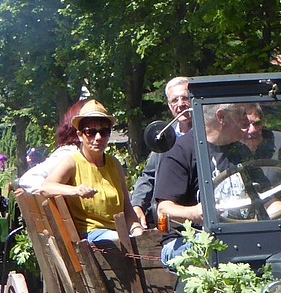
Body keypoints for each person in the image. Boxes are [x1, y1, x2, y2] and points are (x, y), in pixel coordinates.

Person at [18, 99, 145, 245]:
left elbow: (126, 206)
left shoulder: (114, 163)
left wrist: (137, 231)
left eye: (104, 131)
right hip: (91, 238)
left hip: (119, 234)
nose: (98, 138)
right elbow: (46, 188)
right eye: (91, 132)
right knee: (119, 240)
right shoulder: (72, 162)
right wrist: (75, 190)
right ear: (79, 135)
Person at [155, 102, 248, 260]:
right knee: (215, 244)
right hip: (186, 241)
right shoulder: (180, 152)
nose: (247, 121)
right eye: (241, 114)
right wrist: (194, 213)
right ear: (221, 117)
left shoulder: (240, 150)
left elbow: (266, 199)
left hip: (239, 235)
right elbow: (163, 210)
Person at [131, 75, 193, 226]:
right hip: (167, 220)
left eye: (185, 98)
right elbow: (149, 176)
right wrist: (137, 206)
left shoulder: (209, 135)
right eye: (174, 100)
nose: (180, 105)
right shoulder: (164, 137)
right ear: (169, 106)